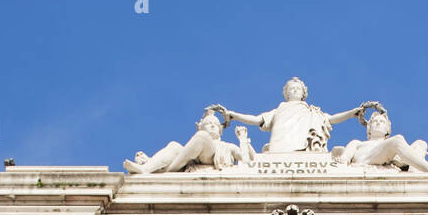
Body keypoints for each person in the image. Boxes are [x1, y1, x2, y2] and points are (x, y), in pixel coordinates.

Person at [209, 78, 372, 153]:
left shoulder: (312, 111)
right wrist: (233, 115)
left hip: (304, 146)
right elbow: (257, 119)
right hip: (279, 146)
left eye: (297, 88)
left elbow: (331, 119)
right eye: (291, 89)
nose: (294, 90)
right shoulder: (278, 110)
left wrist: (352, 113)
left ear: (303, 93)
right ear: (286, 94)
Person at [331, 108, 428, 172]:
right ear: (369, 129)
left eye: (382, 122)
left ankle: (415, 172)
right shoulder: (357, 143)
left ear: (387, 130)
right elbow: (344, 159)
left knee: (420, 143)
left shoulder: (391, 146)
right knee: (397, 140)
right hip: (366, 160)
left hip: (387, 155)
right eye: (375, 122)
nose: (378, 123)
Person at [124, 113, 254, 174]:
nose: (212, 126)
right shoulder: (198, 139)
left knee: (202, 137)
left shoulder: (228, 146)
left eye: (215, 124)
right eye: (208, 123)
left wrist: (243, 139)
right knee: (174, 145)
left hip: (210, 158)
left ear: (220, 130)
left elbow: (248, 161)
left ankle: (162, 169)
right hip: (192, 158)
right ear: (200, 127)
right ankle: (147, 168)